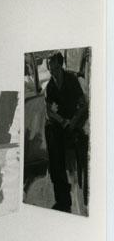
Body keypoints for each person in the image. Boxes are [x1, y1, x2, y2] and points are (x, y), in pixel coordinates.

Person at [44, 52, 88, 212]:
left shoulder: (71, 80)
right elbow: (49, 112)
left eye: (54, 68)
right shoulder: (50, 86)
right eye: (50, 69)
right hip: (60, 125)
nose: (52, 71)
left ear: (60, 65)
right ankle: (63, 199)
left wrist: (73, 121)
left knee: (82, 143)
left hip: (75, 123)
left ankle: (86, 193)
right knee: (50, 134)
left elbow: (83, 105)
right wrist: (62, 121)